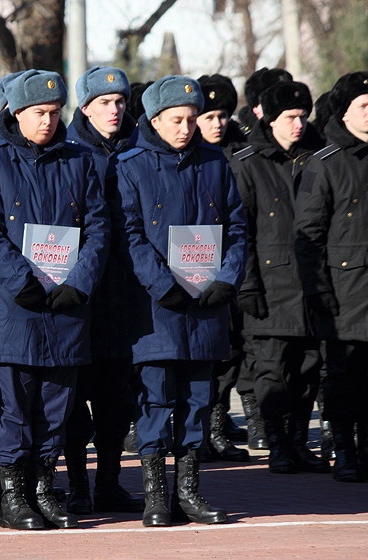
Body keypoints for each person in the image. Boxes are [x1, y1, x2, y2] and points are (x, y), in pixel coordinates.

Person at [0, 69, 110, 531]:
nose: (47, 121)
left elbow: (99, 228)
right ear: (16, 113)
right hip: (15, 308)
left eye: (53, 112)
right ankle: (13, 496)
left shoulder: (80, 160)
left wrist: (79, 283)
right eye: (37, 113)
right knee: (13, 406)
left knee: (56, 407)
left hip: (67, 305)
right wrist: (21, 281)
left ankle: (44, 490)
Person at [116, 75, 246, 527]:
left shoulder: (214, 162)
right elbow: (130, 235)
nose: (186, 128)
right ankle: (155, 496)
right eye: (176, 120)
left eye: (192, 120)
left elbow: (237, 227)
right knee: (155, 401)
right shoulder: (131, 166)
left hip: (205, 307)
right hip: (157, 310)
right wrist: (163, 285)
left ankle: (188, 492)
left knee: (197, 400)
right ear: (154, 120)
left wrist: (226, 280)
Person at [230, 80, 328, 475]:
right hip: (269, 288)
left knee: (308, 368)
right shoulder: (247, 163)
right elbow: (239, 231)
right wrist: (247, 284)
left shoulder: (318, 158)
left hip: (312, 285)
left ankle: (299, 442)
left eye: (303, 116)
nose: (298, 124)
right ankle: (278, 443)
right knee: (272, 371)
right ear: (270, 119)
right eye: (290, 117)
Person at [62, 66, 143, 515]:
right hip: (80, 291)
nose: (115, 110)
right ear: (86, 107)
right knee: (75, 400)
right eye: (105, 103)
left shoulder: (140, 148)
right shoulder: (68, 151)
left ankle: (109, 482)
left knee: (117, 398)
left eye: (120, 102)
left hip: (127, 291)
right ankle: (77, 484)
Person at [295, 71, 368, 483]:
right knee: (344, 379)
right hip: (344, 295)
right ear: (344, 112)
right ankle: (344, 450)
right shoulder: (324, 164)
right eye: (364, 105)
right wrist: (318, 291)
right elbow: (308, 236)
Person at [194, 73, 253, 463]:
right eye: (209, 116)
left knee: (229, 356)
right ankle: (198, 434)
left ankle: (215, 428)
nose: (217, 123)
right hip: (192, 271)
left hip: (232, 268)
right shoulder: (191, 156)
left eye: (222, 116)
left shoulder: (242, 153)